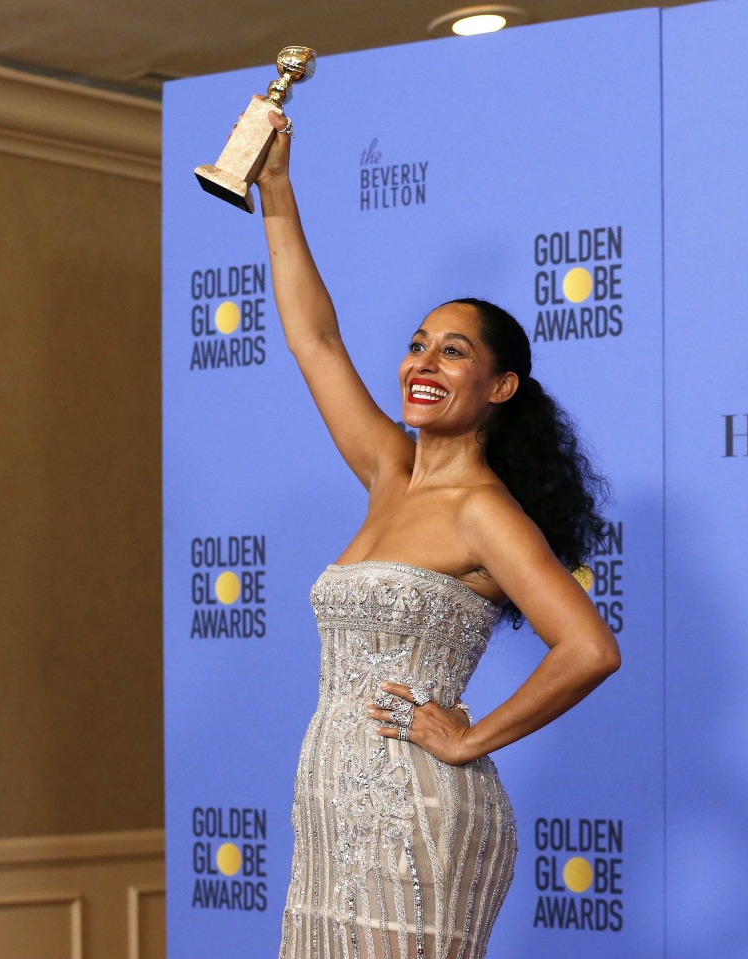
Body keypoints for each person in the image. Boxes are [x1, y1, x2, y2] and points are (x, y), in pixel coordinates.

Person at [255, 104, 621, 959]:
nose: (423, 363)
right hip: (330, 812)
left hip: (416, 809)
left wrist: (469, 735)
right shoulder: (390, 470)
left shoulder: (484, 510)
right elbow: (314, 339)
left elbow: (590, 649)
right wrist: (277, 189)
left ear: (500, 387)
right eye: (419, 345)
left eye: (453, 352)